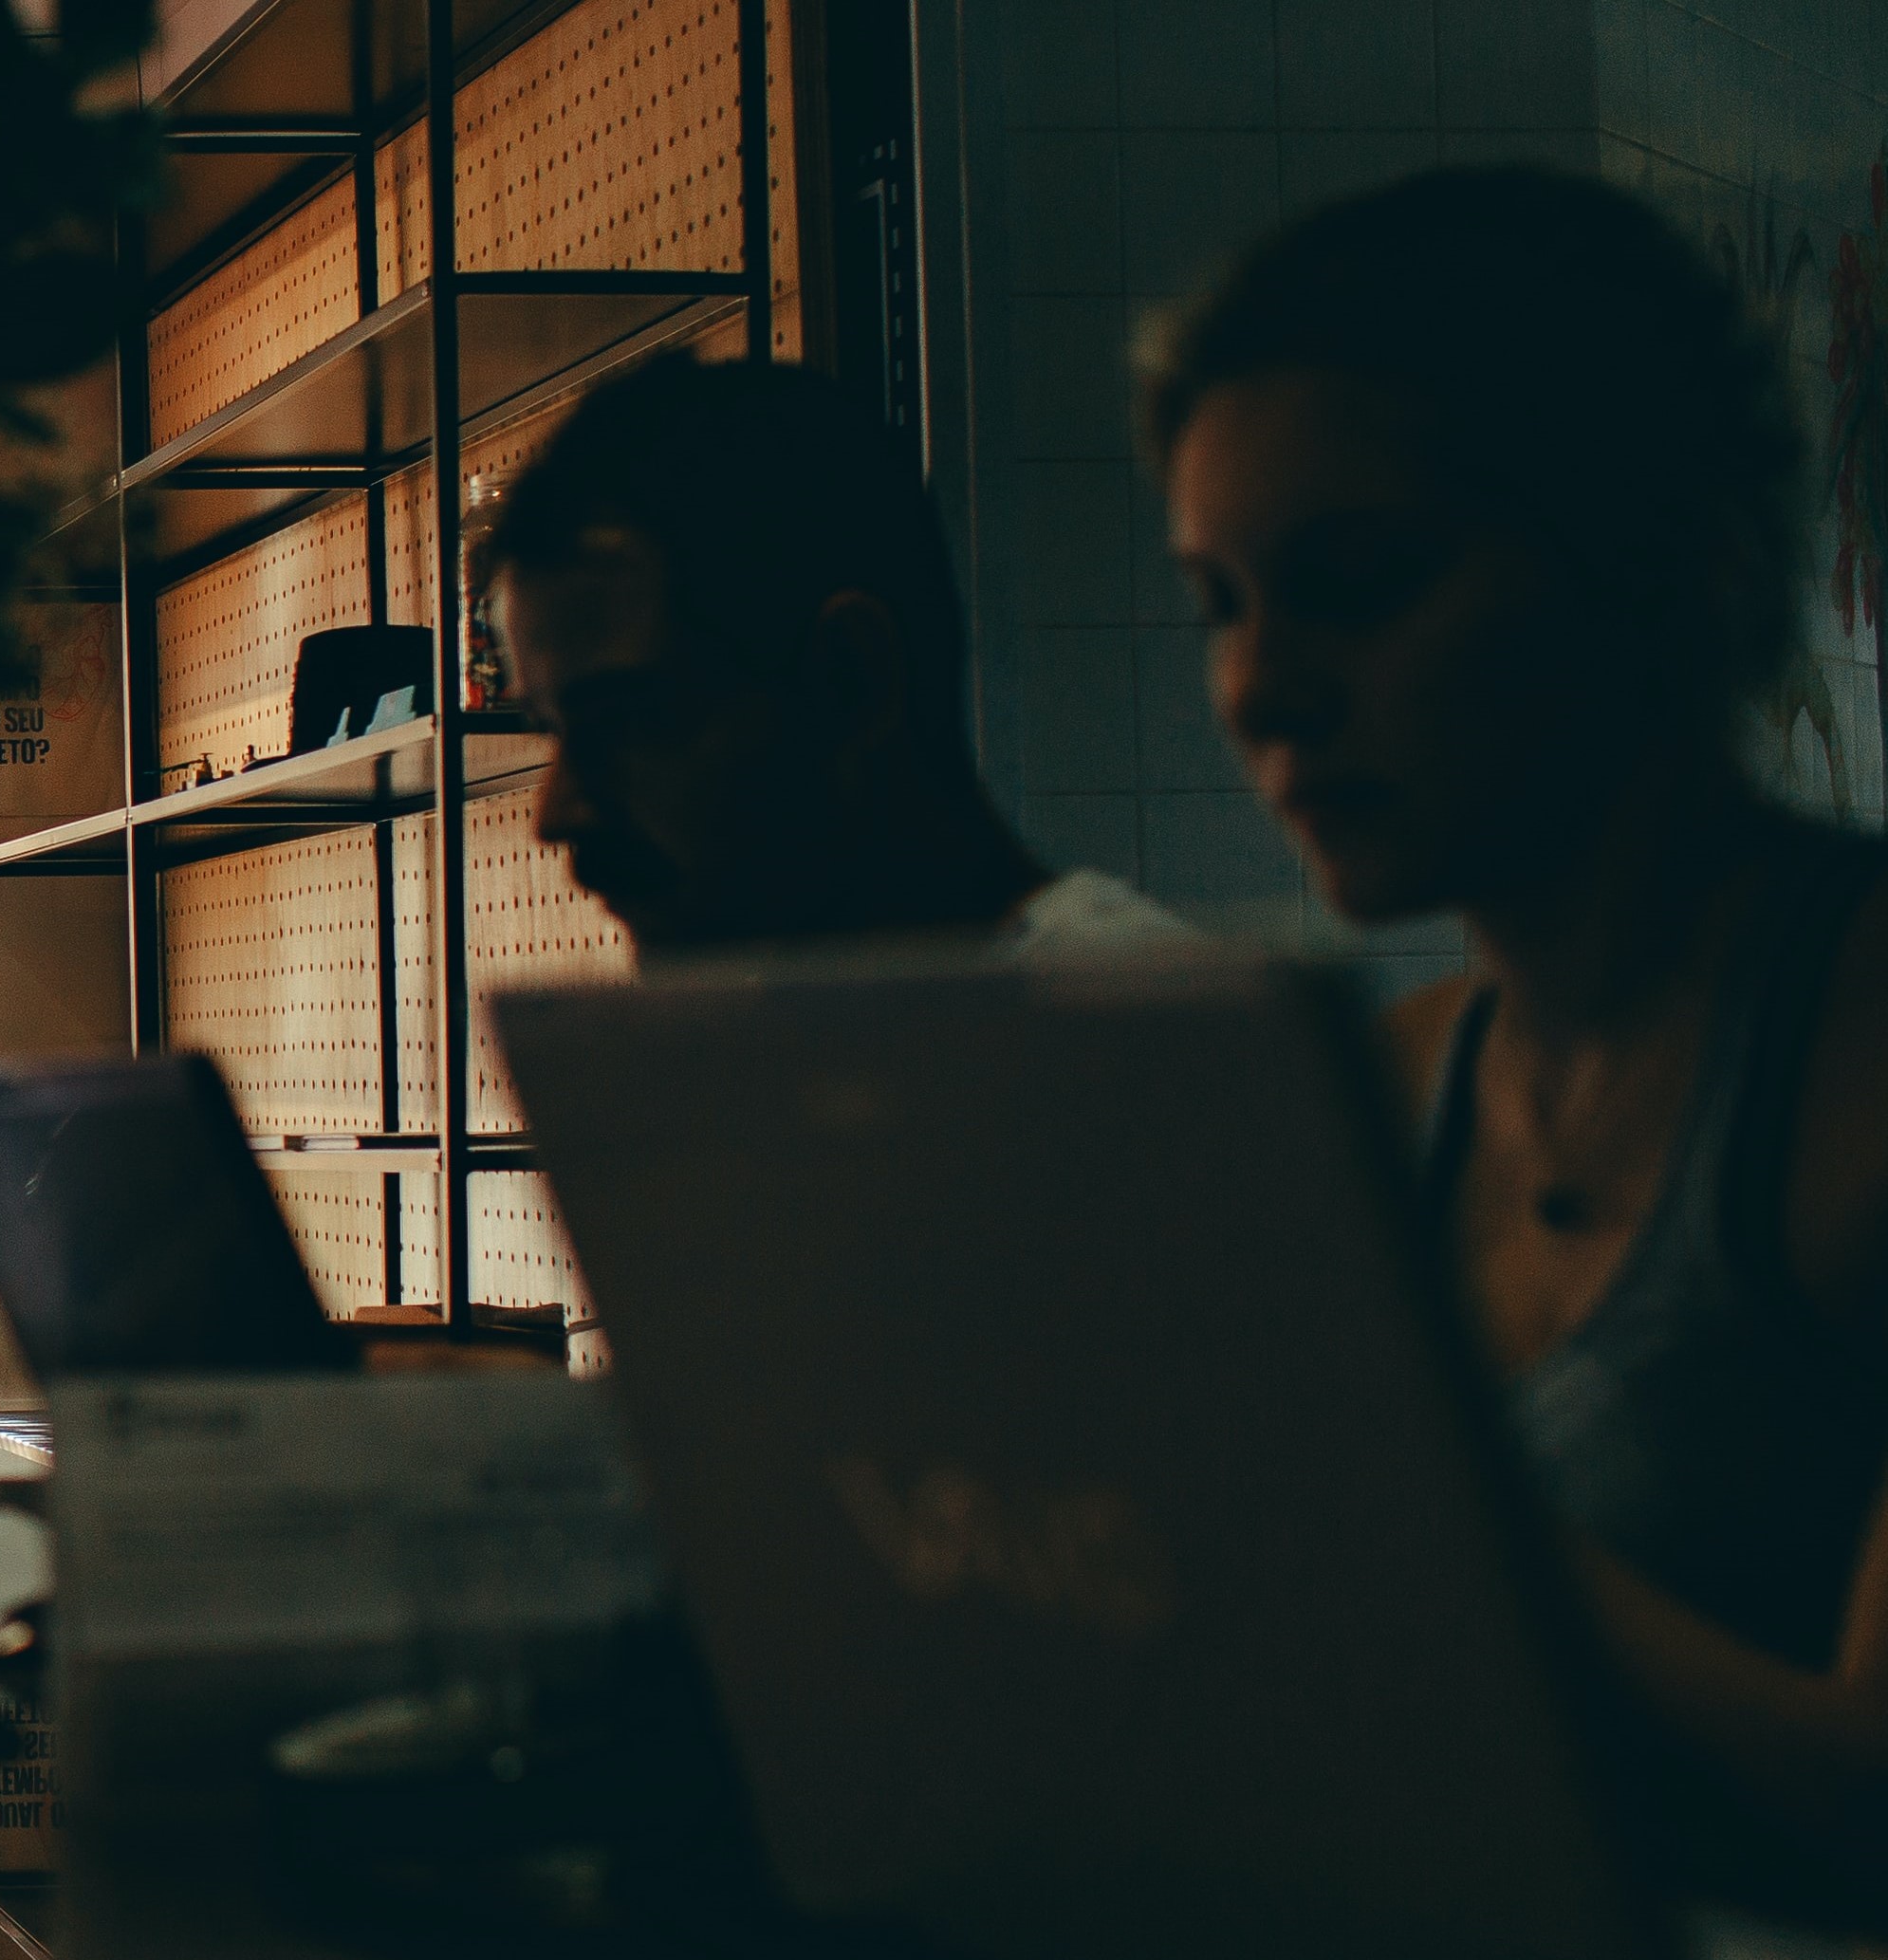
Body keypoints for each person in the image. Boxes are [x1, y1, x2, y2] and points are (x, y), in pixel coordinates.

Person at [1149, 164, 1888, 1837]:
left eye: (1358, 578)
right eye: (1219, 605)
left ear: (1667, 562)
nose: (1257, 687)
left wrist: (1408, 1510)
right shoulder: (1379, 1099)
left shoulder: (1851, 1055)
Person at [487, 354, 1198, 964]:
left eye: (625, 721)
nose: (556, 814)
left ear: (850, 681)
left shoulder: (1140, 1041)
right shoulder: (810, 1046)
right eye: (550, 730)